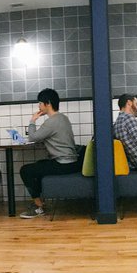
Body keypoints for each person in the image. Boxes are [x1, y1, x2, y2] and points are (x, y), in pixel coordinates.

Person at [18, 88, 80, 219]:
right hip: (72, 162)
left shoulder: (51, 122)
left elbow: (32, 137)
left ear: (48, 103)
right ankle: (41, 203)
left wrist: (33, 120)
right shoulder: (63, 118)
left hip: (63, 164)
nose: (39, 106)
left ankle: (39, 207)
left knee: (25, 170)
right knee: (39, 165)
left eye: (40, 103)